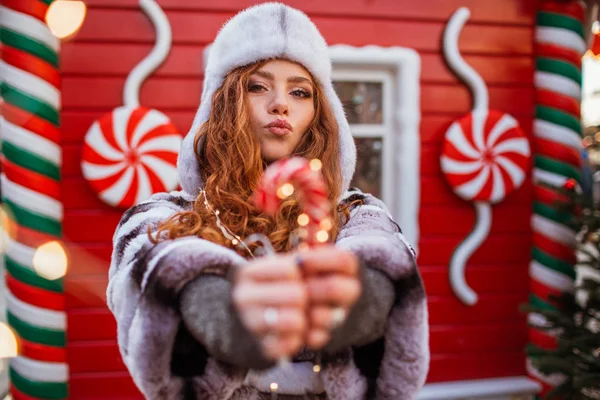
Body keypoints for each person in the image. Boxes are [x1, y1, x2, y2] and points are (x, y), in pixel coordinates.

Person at [107, 3, 429, 399]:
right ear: (224, 103)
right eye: (257, 86)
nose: (281, 103)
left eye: (300, 91)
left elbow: (383, 259)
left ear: (319, 112)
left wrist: (357, 296)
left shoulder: (355, 213)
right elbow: (148, 272)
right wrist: (218, 306)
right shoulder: (165, 215)